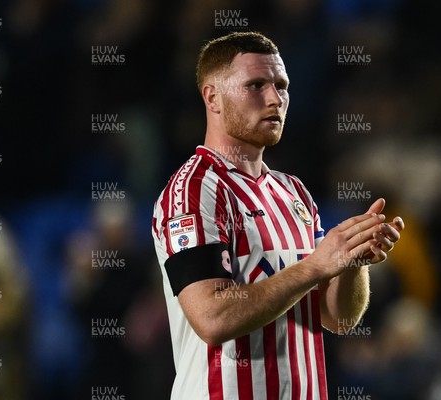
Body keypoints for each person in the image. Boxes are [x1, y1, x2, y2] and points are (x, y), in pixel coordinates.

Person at [152, 31, 405, 400]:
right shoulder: (193, 191)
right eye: (256, 85)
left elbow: (338, 319)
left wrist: (351, 261)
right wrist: (317, 266)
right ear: (213, 97)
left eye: (281, 85)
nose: (275, 99)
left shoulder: (293, 191)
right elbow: (212, 317)